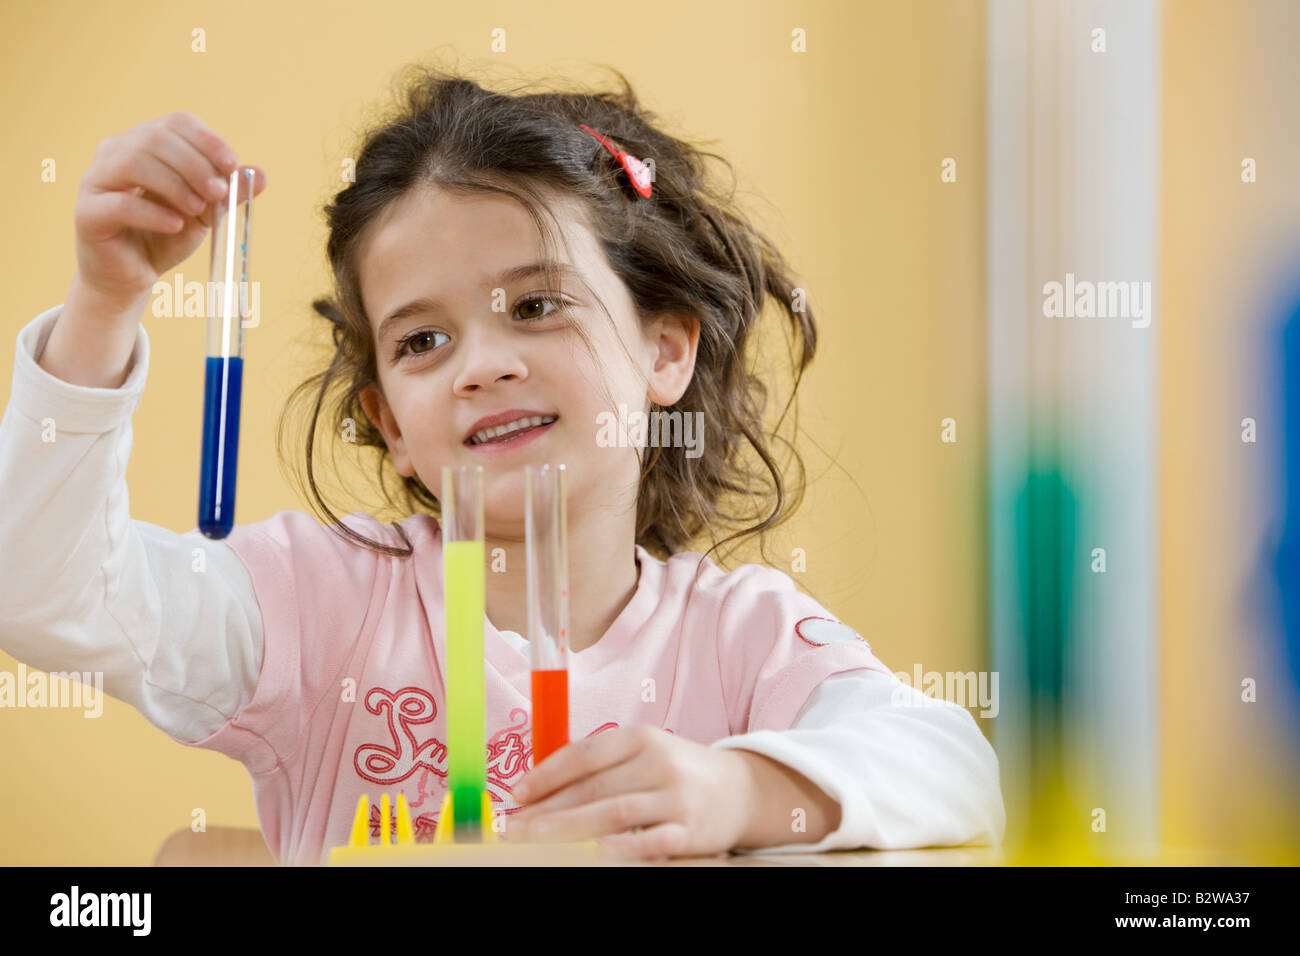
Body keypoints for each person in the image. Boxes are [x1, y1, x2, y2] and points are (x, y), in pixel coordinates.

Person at [0, 65, 1004, 866]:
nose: (482, 364)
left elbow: (953, 765)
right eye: (421, 342)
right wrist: (102, 308)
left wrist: (737, 790)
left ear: (665, 348)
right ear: (388, 421)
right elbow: (42, 596)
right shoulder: (316, 604)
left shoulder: (743, 636)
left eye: (535, 304)